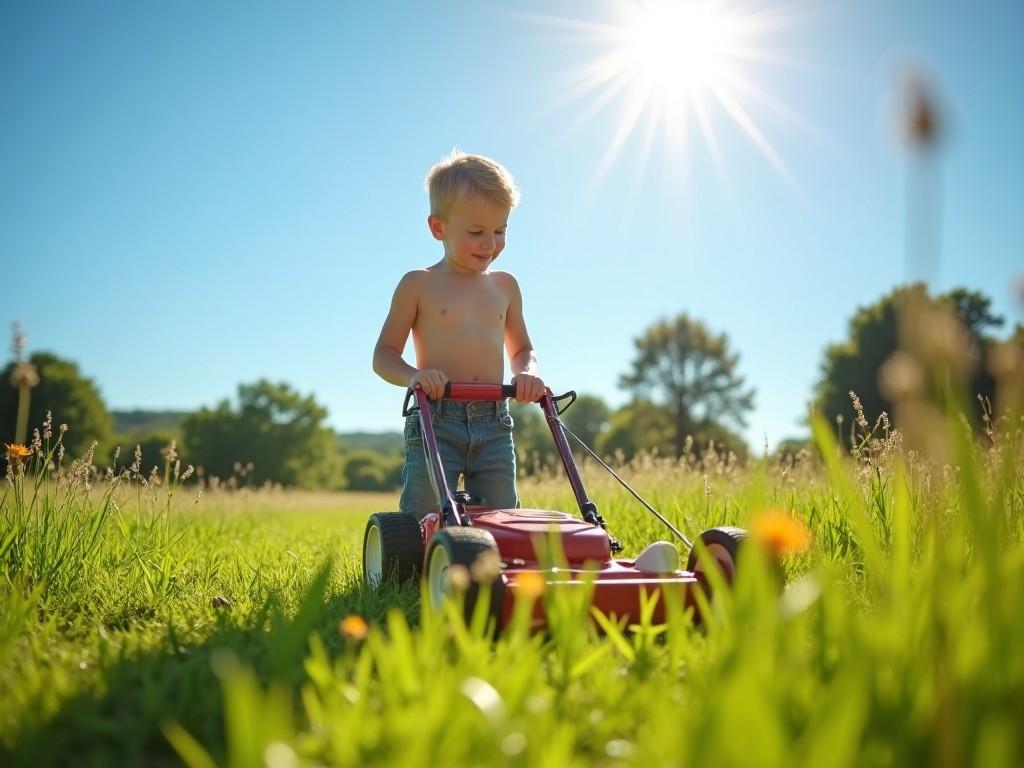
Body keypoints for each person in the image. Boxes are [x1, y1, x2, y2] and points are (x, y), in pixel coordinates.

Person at [373, 150, 545, 518]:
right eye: (476, 232)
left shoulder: (505, 287)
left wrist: (527, 372)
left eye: (500, 231)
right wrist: (415, 376)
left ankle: (491, 571)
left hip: (494, 420)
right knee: (425, 516)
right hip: (436, 417)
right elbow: (383, 355)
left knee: (503, 518)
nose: (490, 243)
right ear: (439, 228)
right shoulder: (418, 284)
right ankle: (414, 568)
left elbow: (523, 348)